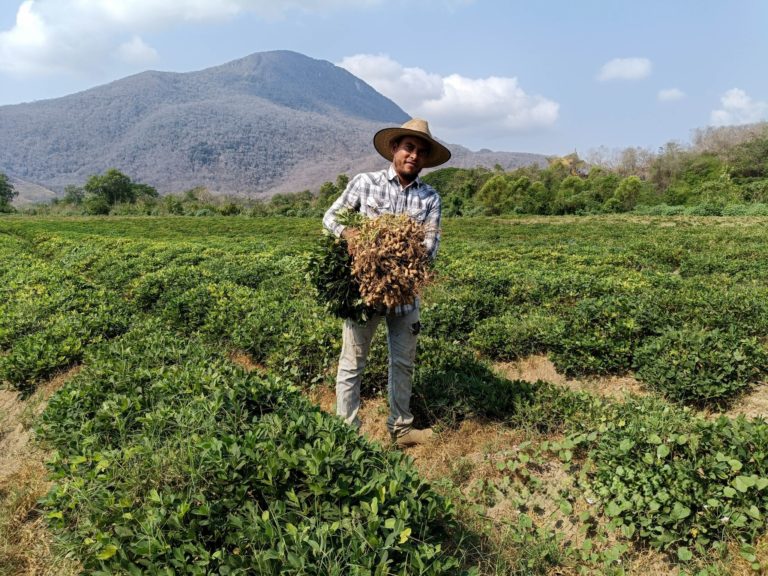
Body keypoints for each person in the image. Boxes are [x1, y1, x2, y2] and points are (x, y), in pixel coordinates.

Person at [322, 118, 451, 447]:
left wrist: (393, 263)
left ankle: (401, 429)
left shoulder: (430, 198)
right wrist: (349, 234)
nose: (414, 155)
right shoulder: (365, 183)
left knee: (403, 362)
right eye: (409, 147)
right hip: (364, 294)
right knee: (352, 363)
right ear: (394, 149)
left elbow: (429, 249)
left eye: (421, 151)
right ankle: (346, 432)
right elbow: (330, 217)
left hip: (405, 295)